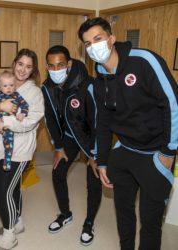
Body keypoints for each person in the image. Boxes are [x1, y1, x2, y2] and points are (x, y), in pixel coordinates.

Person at [78, 17, 178, 250]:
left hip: (155, 154)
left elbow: (172, 103)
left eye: (98, 39)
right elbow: (102, 123)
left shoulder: (143, 61)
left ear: (111, 39)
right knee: (123, 214)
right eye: (87, 43)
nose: (93, 47)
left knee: (151, 222)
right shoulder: (99, 77)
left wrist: (168, 150)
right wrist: (102, 161)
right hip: (123, 153)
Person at [0, 49, 44, 250]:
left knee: (4, 190)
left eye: (28, 66)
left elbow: (31, 121)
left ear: (33, 70)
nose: (23, 70)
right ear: (14, 62)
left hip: (19, 150)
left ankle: (9, 236)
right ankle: (16, 223)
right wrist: (0, 106)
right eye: (20, 64)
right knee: (12, 187)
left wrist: (6, 122)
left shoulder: (34, 93)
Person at [41, 45, 102, 246]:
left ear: (68, 63)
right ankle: (65, 214)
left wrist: (95, 155)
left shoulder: (88, 84)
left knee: (93, 179)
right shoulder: (47, 87)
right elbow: (50, 118)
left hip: (92, 138)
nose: (56, 70)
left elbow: (98, 122)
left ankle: (89, 222)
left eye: (60, 65)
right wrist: (58, 147)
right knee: (57, 173)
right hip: (69, 137)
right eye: (51, 66)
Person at [0, 70, 29, 171]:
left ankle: (7, 161)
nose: (9, 88)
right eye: (5, 85)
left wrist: (22, 113)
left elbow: (25, 105)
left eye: (11, 85)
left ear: (15, 86)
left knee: (8, 142)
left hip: (8, 124)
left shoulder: (17, 96)